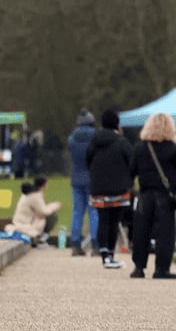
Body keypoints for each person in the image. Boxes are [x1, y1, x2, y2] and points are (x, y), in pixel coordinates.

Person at [129, 113, 176, 279]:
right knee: (165, 233)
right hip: (165, 195)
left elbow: (131, 171)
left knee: (141, 231)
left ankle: (139, 267)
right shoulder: (172, 149)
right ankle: (161, 269)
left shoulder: (140, 148)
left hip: (145, 194)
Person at [86, 109, 134, 269]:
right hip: (119, 188)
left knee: (103, 220)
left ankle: (104, 253)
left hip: (98, 187)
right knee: (114, 222)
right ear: (117, 124)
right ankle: (110, 255)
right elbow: (132, 163)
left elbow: (88, 161)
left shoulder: (94, 141)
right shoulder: (122, 142)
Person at [67, 109, 99, 256]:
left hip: (76, 177)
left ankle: (75, 244)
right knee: (94, 211)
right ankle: (95, 245)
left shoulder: (72, 138)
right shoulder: (96, 137)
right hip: (93, 177)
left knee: (77, 212)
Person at [4, 176, 61, 245]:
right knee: (53, 216)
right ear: (44, 184)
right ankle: (42, 239)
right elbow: (43, 212)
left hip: (21, 222)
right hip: (25, 224)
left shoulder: (30, 193)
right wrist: (54, 206)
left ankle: (41, 238)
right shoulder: (35, 195)